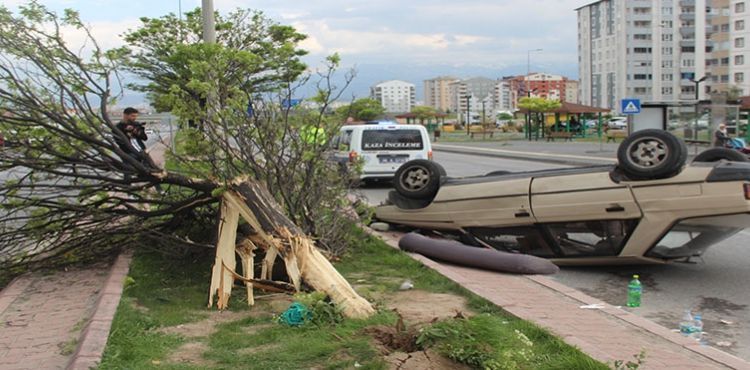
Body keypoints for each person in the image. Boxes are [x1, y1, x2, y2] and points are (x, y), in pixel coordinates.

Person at [113, 107, 160, 188]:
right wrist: (126, 132)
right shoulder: (117, 127)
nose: (134, 118)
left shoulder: (136, 124)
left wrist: (136, 131)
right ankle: (128, 189)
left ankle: (158, 188)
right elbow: (119, 142)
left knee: (152, 169)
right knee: (128, 170)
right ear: (125, 115)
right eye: (132, 116)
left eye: (135, 116)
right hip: (128, 152)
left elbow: (144, 138)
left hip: (141, 151)